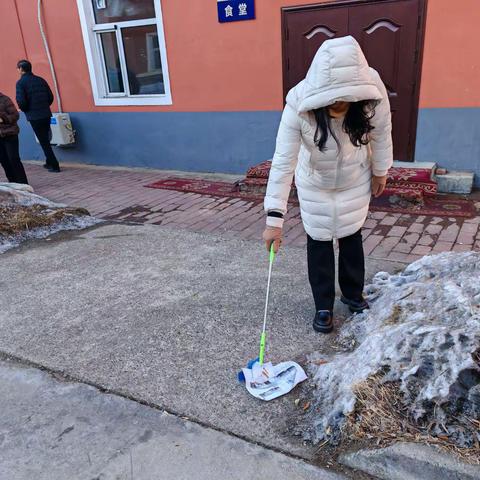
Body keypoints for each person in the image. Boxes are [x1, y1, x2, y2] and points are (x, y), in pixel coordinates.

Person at [262, 36, 393, 334]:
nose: (337, 103)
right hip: (315, 181)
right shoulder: (298, 101)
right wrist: (274, 219)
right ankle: (323, 304)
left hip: (354, 177)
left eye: (345, 98)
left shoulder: (371, 90)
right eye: (332, 98)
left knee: (351, 236)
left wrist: (380, 169)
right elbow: (283, 161)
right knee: (319, 241)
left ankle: (352, 294)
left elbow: (383, 132)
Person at [16, 59, 60, 173]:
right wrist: (44, 106)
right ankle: (49, 161)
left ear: (21, 69)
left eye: (18, 68)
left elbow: (21, 102)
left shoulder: (21, 83)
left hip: (35, 116)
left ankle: (54, 165)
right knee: (45, 139)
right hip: (46, 113)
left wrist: (26, 110)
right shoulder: (40, 80)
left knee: (43, 141)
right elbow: (50, 97)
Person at [0, 91, 29, 184]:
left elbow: (15, 115)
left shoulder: (5, 99)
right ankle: (13, 183)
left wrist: (3, 118)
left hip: (10, 134)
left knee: (13, 158)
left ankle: (23, 183)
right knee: (4, 160)